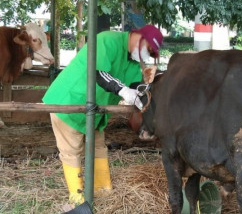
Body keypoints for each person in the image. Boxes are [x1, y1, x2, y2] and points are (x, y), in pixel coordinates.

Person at [42, 25, 163, 204]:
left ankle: (103, 189)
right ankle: (77, 196)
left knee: (98, 146)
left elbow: (132, 84)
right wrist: (122, 89)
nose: (147, 54)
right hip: (69, 101)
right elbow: (98, 72)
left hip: (95, 111)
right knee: (71, 149)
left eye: (151, 53)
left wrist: (144, 92)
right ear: (138, 36)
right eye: (148, 49)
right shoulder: (108, 40)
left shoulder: (132, 63)